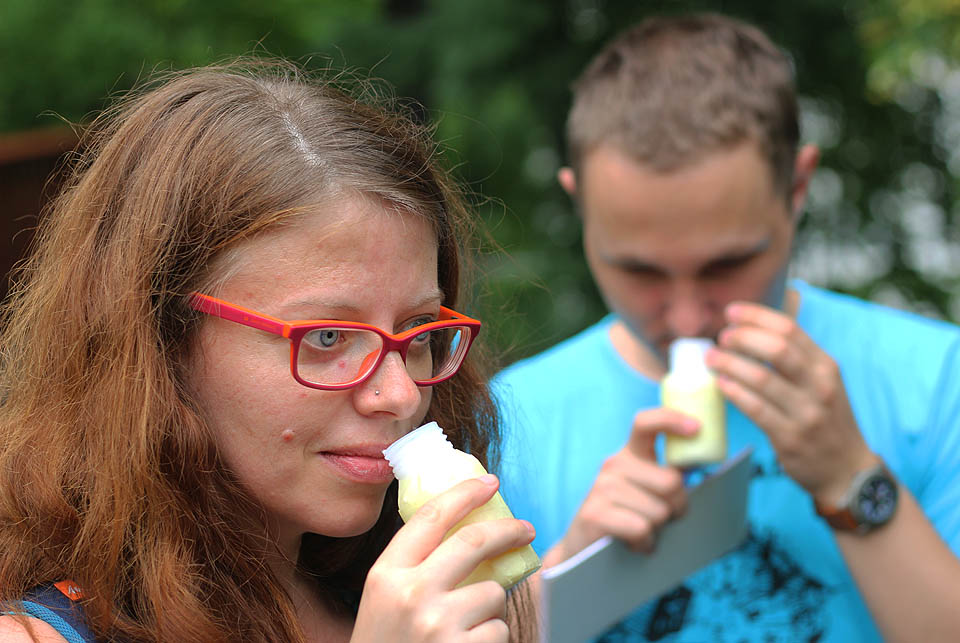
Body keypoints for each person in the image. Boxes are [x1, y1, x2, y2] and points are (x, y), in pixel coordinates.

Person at [0, 58, 538, 642]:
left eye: (420, 329)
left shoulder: (451, 608)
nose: (402, 395)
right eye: (327, 337)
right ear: (164, 341)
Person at [494, 12, 960, 642]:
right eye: (639, 270)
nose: (687, 317)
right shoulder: (511, 422)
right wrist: (570, 569)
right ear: (579, 203)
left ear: (797, 187)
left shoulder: (938, 384)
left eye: (728, 264)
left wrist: (854, 481)